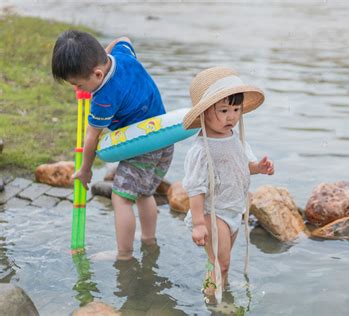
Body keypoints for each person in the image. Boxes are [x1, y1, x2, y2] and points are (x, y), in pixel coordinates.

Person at [52, 30, 173, 260]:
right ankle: (149, 241)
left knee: (121, 197)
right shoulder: (123, 55)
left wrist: (86, 169)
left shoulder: (103, 97)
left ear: (98, 74)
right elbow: (124, 38)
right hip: (164, 140)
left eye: (78, 84)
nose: (78, 90)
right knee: (145, 193)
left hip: (143, 147)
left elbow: (91, 137)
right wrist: (104, 52)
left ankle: (124, 256)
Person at [181, 66, 274, 303]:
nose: (231, 116)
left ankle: (215, 290)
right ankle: (213, 303)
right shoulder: (201, 150)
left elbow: (244, 165)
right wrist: (199, 224)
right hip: (214, 214)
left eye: (236, 109)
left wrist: (258, 168)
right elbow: (195, 188)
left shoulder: (236, 137)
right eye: (223, 110)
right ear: (204, 113)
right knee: (221, 263)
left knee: (221, 262)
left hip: (233, 209)